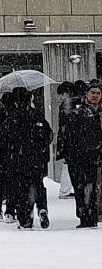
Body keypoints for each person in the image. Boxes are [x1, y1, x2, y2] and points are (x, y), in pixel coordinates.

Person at [3, 87, 52, 229]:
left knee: (21, 189)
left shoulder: (11, 119)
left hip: (17, 159)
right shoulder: (37, 116)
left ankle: (25, 217)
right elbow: (48, 135)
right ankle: (42, 207)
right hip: (36, 158)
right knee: (38, 184)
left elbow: (2, 139)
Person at [56, 80, 100, 228]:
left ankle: (89, 215)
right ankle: (86, 215)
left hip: (92, 155)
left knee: (90, 186)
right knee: (81, 186)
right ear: (86, 94)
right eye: (92, 92)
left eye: (98, 93)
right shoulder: (77, 111)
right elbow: (67, 132)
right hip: (79, 155)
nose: (95, 95)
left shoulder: (89, 112)